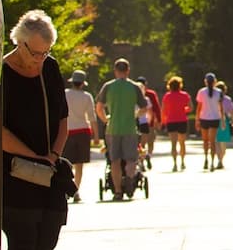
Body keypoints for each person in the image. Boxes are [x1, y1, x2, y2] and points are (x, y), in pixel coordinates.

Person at [0, 10, 75, 250]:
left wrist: (52, 155)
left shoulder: (50, 68)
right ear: (20, 41)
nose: (40, 59)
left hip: (49, 172)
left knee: (49, 236)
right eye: (35, 52)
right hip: (14, 173)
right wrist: (31, 156)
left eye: (46, 52)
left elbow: (62, 120)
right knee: (23, 243)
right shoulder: (2, 72)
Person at [96, 59, 148, 202]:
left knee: (115, 161)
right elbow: (144, 108)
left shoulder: (108, 86)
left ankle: (118, 191)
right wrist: (135, 115)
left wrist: (106, 120)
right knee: (131, 159)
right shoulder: (134, 87)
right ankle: (130, 178)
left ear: (115, 71)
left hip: (112, 129)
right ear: (128, 70)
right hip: (130, 128)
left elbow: (99, 107)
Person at [61, 71, 98, 201]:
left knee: (66, 162)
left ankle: (66, 189)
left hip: (67, 131)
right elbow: (92, 117)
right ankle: (75, 190)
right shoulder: (87, 96)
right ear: (82, 83)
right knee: (79, 165)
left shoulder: (65, 94)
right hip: (83, 131)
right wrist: (96, 135)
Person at [194, 73, 227, 170]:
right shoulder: (219, 92)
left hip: (204, 118)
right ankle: (212, 162)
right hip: (215, 119)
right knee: (212, 141)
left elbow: (199, 108)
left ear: (205, 81)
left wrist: (197, 120)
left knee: (205, 141)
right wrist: (223, 120)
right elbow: (221, 108)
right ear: (214, 82)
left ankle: (206, 158)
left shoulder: (201, 92)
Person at [161, 76, 193, 172]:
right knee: (182, 143)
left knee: (173, 144)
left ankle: (175, 164)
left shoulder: (167, 96)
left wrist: (163, 120)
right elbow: (191, 107)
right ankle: (182, 162)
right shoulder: (185, 95)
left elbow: (163, 110)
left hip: (171, 121)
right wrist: (184, 110)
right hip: (182, 120)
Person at [208, 80, 233, 169]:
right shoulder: (227, 99)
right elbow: (232, 113)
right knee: (223, 143)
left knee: (217, 142)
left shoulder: (214, 99)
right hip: (224, 120)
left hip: (215, 119)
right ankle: (220, 160)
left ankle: (219, 160)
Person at [135, 76, 162, 170]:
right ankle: (147, 155)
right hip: (145, 122)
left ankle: (141, 160)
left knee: (138, 143)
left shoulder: (131, 97)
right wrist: (152, 121)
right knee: (145, 143)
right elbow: (153, 109)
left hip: (134, 122)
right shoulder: (147, 97)